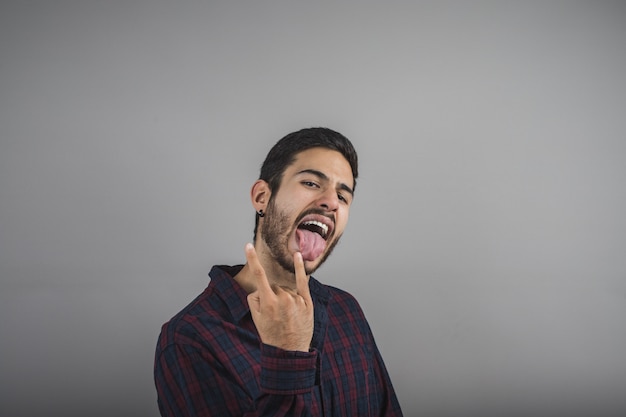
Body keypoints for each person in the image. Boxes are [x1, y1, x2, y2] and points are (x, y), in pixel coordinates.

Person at [154, 127, 403, 416]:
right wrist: (288, 355)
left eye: (343, 197)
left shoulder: (346, 310)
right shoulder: (189, 338)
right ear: (262, 197)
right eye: (311, 183)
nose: (331, 202)